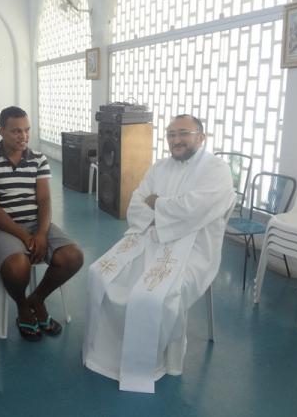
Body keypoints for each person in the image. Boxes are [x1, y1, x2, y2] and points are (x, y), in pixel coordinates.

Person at [82, 114, 235, 393]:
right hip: (148, 237)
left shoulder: (217, 170)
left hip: (194, 247)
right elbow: (136, 205)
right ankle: (103, 355)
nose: (176, 140)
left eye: (183, 133)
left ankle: (147, 364)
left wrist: (158, 204)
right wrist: (166, 210)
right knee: (100, 274)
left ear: (201, 137)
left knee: (151, 295)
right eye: (171, 134)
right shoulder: (159, 167)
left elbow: (195, 209)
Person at [0, 106, 84, 341]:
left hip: (36, 224)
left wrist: (41, 233)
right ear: (1, 130)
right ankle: (23, 306)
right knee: (16, 266)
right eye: (15, 131)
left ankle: (37, 299)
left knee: (73, 256)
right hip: (2, 228)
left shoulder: (38, 159)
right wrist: (25, 237)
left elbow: (44, 199)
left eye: (26, 130)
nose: (23, 136)